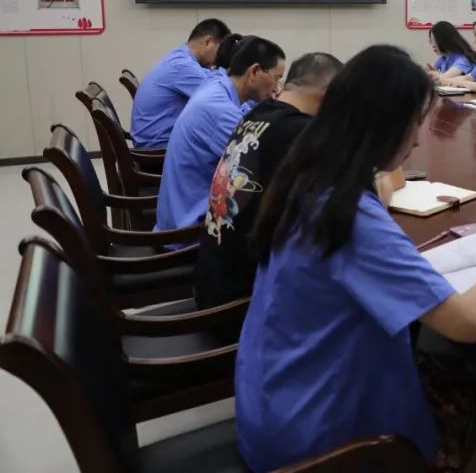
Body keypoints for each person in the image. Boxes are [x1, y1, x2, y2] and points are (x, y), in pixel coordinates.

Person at [235, 45, 476, 472]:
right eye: (414, 124)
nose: (417, 140)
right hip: (321, 443)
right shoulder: (350, 216)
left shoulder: (310, 173)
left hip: (273, 402)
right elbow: (466, 323)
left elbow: (380, 188)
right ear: (385, 126)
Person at [196, 52, 343, 310]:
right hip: (242, 303)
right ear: (329, 96)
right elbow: (356, 196)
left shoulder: (256, 114)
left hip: (212, 280)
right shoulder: (301, 132)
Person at [155, 36, 286, 232]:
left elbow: (246, 115)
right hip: (190, 230)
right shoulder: (218, 109)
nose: (277, 88)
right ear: (254, 71)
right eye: (276, 78)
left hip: (181, 212)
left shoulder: (217, 83)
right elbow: (266, 163)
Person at [131, 18, 232, 149]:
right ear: (207, 42)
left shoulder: (180, 56)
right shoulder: (182, 66)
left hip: (152, 138)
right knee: (231, 144)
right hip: (157, 145)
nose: (220, 58)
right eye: (220, 51)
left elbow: (210, 79)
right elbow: (221, 97)